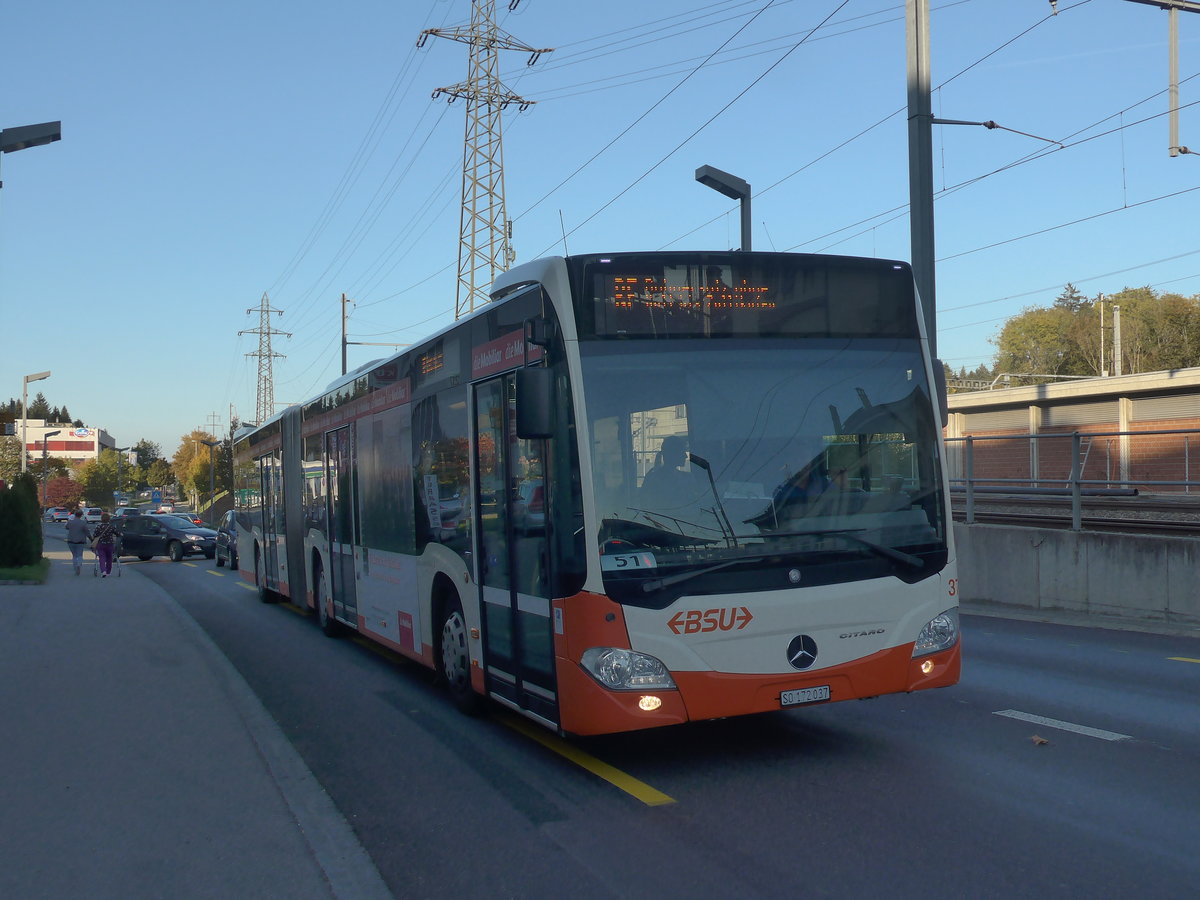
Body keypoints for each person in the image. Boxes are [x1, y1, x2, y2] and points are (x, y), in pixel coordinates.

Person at [640, 435, 698, 510]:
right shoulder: (654, 478)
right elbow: (647, 505)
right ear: (672, 454)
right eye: (682, 452)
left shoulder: (688, 477)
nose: (686, 456)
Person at [64, 509, 92, 576]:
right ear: (81, 515)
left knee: (74, 555)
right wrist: (91, 539)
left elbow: (66, 527)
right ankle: (79, 565)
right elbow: (87, 532)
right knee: (79, 554)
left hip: (71, 541)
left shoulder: (70, 522)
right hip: (80, 541)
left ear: (75, 515)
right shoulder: (83, 523)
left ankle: (75, 568)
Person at [91, 512, 119, 578]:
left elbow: (95, 535)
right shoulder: (111, 527)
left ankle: (103, 571)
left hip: (101, 544)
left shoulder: (98, 526)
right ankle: (108, 572)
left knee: (102, 557)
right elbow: (118, 533)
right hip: (109, 544)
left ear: (101, 519)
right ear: (109, 519)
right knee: (109, 558)